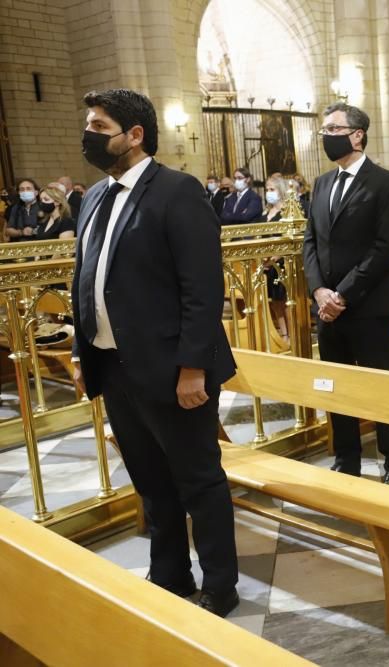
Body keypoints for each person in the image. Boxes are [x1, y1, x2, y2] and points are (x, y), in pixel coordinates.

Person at [71, 88, 239, 617]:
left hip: (173, 369)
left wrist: (193, 368)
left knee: (198, 479)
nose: (91, 135)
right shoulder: (95, 196)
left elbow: (202, 290)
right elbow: (86, 277)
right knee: (149, 478)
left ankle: (220, 584)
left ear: (135, 134)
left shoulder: (177, 191)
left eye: (100, 126)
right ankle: (170, 573)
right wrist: (83, 352)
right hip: (114, 364)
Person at [302, 102, 389, 486]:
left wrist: (341, 295)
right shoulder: (322, 183)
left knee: (380, 387)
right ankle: (347, 457)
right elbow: (310, 241)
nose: (326, 136)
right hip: (328, 307)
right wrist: (318, 291)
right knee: (338, 386)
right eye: (324, 130)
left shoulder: (384, 183)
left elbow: (383, 247)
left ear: (357, 134)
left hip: (367, 305)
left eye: (333, 129)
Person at [260, 176, 289, 339]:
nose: (268, 193)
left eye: (272, 189)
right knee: (274, 301)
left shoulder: (285, 211)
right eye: (267, 189)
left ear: (280, 190)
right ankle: (283, 333)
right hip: (267, 262)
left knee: (284, 299)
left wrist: (275, 257)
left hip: (281, 261)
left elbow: (287, 238)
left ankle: (292, 333)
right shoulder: (266, 212)